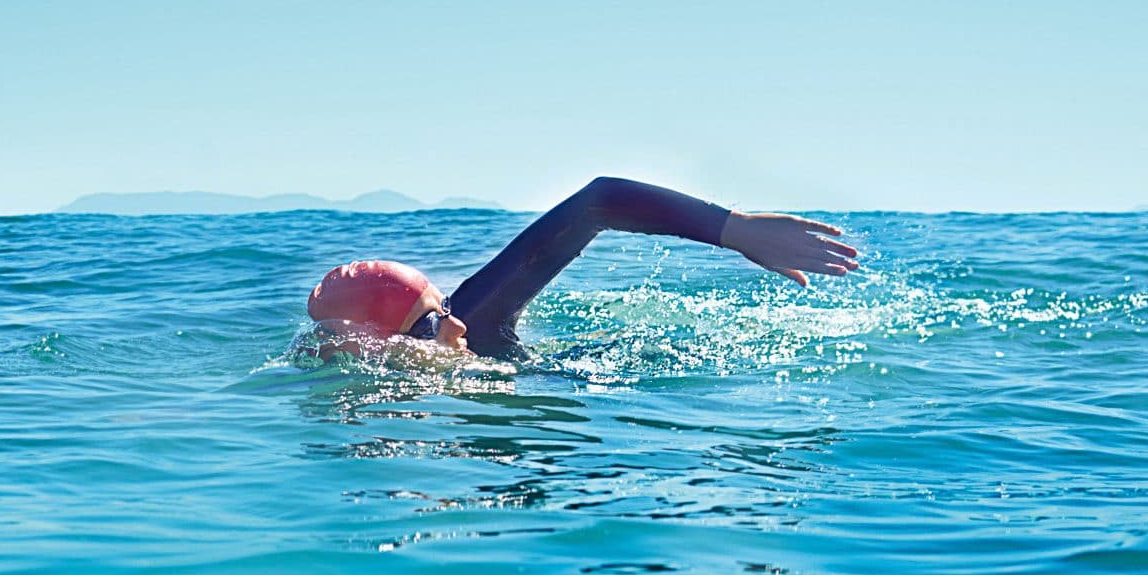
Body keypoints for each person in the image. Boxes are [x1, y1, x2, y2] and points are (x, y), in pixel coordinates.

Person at [306, 176, 859, 358]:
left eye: (444, 303)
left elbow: (599, 199)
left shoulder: (477, 322)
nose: (455, 324)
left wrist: (734, 230)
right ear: (379, 348)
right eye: (428, 323)